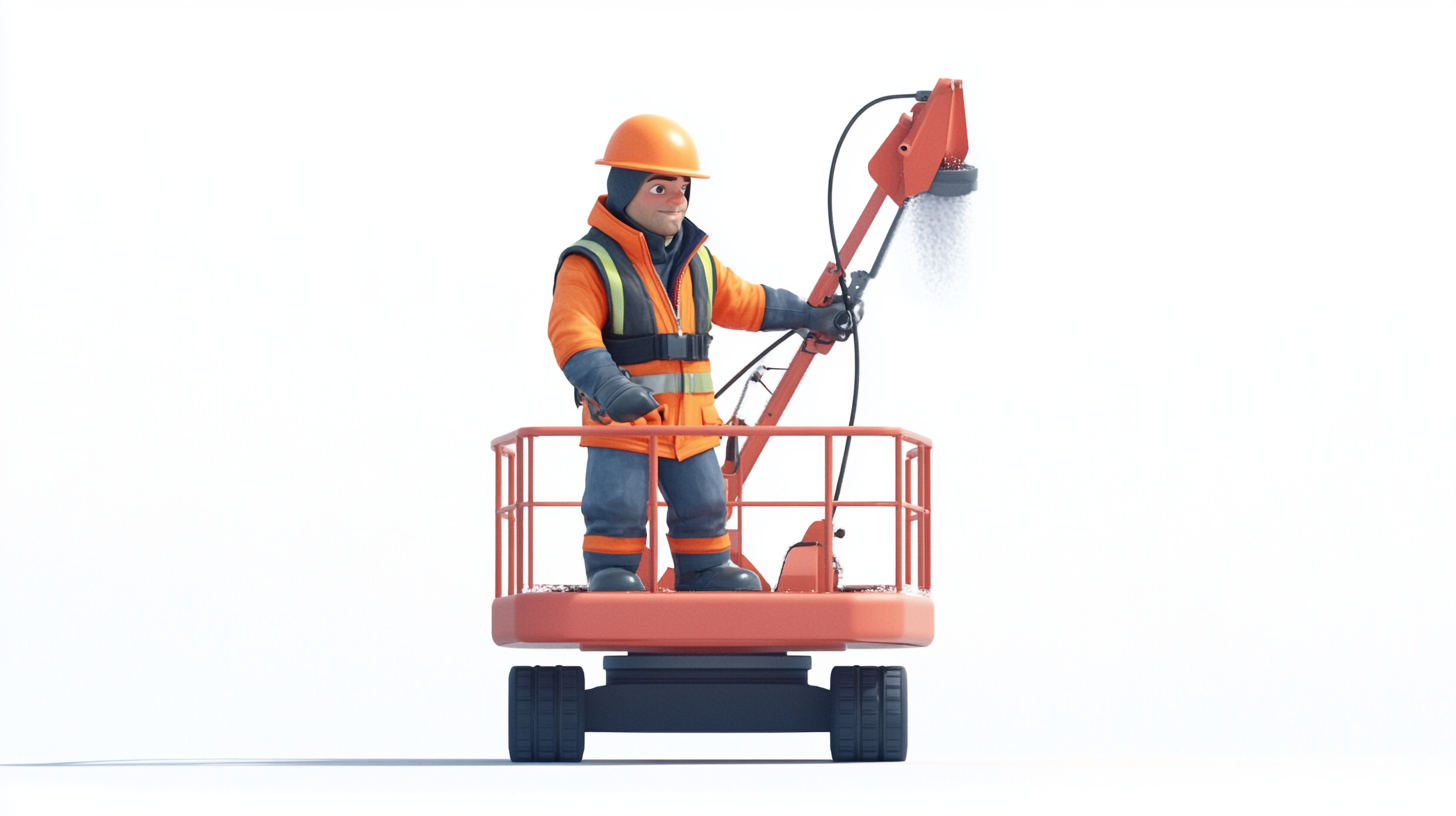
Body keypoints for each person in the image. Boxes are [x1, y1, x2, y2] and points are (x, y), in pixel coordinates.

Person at [547, 114, 858, 592]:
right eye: (660, 188)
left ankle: (705, 570)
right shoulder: (589, 262)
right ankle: (611, 573)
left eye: (683, 187)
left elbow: (748, 300)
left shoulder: (697, 262)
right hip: (624, 423)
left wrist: (809, 314)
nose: (678, 200)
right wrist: (610, 387)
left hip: (691, 424)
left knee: (705, 503)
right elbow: (572, 333)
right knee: (617, 503)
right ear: (625, 188)